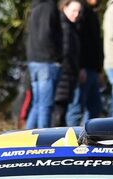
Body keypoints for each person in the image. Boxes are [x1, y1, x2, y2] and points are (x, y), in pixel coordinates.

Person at [66, 0, 105, 126]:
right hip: (83, 69)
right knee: (76, 108)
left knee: (95, 108)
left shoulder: (92, 13)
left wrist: (99, 70)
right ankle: (71, 135)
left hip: (93, 69)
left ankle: (90, 135)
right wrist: (80, 67)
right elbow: (77, 44)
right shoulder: (80, 12)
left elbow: (96, 43)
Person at [25, 0, 63, 129]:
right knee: (45, 106)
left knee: (37, 104)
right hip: (47, 62)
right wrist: (57, 56)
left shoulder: (36, 7)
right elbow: (46, 34)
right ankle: (43, 138)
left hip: (35, 61)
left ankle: (27, 136)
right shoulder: (49, 7)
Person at [53, 0, 84, 127]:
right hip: (64, 75)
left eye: (79, 12)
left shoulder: (72, 28)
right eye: (74, 11)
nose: (76, 15)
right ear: (64, 8)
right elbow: (66, 53)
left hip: (69, 76)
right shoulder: (64, 27)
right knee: (57, 113)